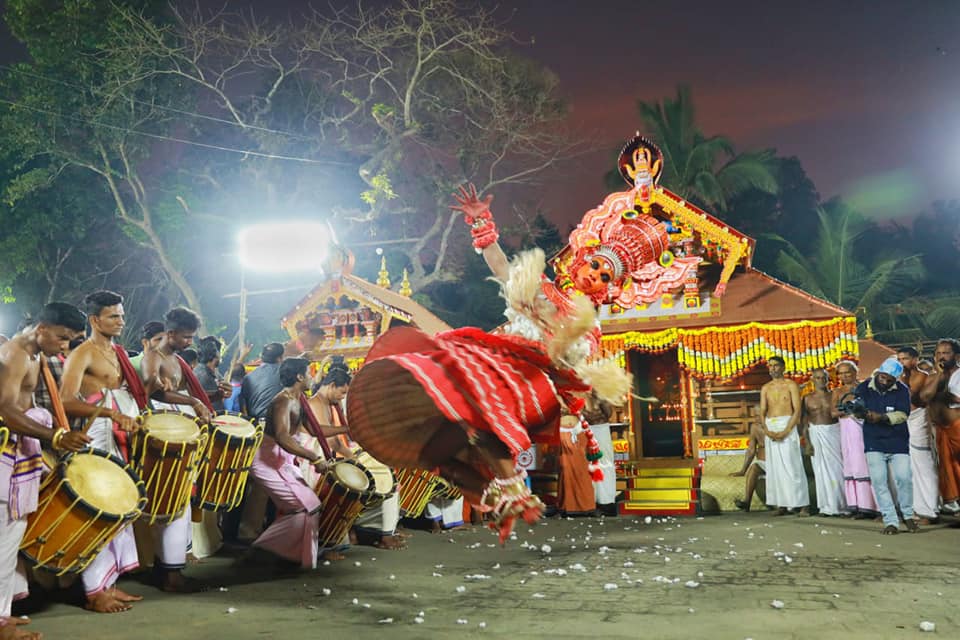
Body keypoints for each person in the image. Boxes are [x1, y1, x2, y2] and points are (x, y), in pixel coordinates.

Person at [348, 181, 634, 540]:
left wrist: (556, 340)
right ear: (582, 260)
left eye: (604, 276)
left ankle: (512, 486)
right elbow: (500, 266)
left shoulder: (587, 324)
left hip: (529, 380)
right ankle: (496, 496)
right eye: (594, 264)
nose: (594, 274)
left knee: (481, 412)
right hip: (497, 359)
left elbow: (571, 365)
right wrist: (481, 220)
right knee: (442, 443)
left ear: (608, 288)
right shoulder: (541, 287)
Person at [0, 303, 90, 635]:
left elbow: (26, 405)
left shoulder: (35, 354)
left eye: (71, 340)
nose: (65, 346)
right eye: (62, 337)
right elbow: (7, 410)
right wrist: (55, 435)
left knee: (10, 540)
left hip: (17, 455)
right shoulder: (16, 354)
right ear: (41, 327)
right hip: (4, 455)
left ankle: (2, 615)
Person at [59, 290, 145, 613]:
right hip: (94, 434)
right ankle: (94, 591)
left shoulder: (117, 352)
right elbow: (66, 399)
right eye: (113, 316)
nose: (121, 321)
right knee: (98, 509)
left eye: (122, 315)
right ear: (95, 320)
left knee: (120, 504)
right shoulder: (83, 353)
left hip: (117, 434)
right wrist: (110, 414)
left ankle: (109, 582)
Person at [140, 306, 211, 592]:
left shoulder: (176, 359)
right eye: (186, 337)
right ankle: (169, 575)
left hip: (179, 429)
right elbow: (151, 391)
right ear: (170, 334)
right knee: (168, 502)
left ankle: (169, 569)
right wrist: (192, 402)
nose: (190, 342)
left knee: (179, 501)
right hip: (161, 432)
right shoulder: (152, 357)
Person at [304, 359, 405, 551]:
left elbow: (333, 441)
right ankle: (330, 543)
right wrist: (347, 433)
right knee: (343, 492)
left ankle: (361, 533)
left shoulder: (327, 403)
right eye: (342, 392)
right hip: (312, 460)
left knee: (385, 482)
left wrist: (352, 455)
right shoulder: (316, 403)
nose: (342, 398)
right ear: (332, 385)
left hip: (327, 456)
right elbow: (320, 433)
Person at [249, 358, 336, 569]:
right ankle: (264, 549)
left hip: (283, 460)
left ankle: (295, 555)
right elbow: (283, 437)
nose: (311, 376)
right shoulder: (283, 400)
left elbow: (315, 430)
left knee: (311, 506)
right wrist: (314, 458)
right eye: (308, 372)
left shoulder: (300, 399)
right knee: (302, 507)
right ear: (299, 376)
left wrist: (348, 430)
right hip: (267, 461)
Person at [856, 357, 916, 534]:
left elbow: (904, 414)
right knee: (879, 482)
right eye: (883, 378)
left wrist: (882, 418)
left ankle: (908, 515)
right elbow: (857, 408)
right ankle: (890, 521)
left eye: (890, 380)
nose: (886, 382)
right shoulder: (864, 387)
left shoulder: (902, 390)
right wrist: (861, 413)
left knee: (904, 478)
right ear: (878, 373)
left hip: (897, 441)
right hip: (874, 441)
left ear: (896, 380)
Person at [759, 356, 810, 516]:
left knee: (792, 466)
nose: (772, 368)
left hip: (787, 424)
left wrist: (786, 430)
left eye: (776, 365)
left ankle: (803, 505)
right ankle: (781, 505)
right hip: (771, 425)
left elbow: (797, 411)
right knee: (775, 469)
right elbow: (762, 411)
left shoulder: (791, 385)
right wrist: (766, 430)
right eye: (770, 366)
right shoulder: (765, 387)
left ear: (783, 367)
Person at [897, 346, 939, 523]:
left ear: (915, 359)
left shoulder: (924, 376)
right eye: (899, 359)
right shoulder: (897, 378)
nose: (902, 363)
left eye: (905, 359)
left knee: (924, 465)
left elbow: (919, 399)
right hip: (902, 420)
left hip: (919, 419)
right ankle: (915, 508)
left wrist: (905, 380)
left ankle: (930, 510)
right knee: (909, 467)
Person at [832, 360, 879, 518]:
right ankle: (857, 505)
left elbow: (872, 407)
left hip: (862, 429)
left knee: (863, 464)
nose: (845, 376)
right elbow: (833, 412)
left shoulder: (864, 388)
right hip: (846, 430)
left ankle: (872, 505)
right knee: (852, 465)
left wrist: (858, 410)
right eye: (841, 373)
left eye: (848, 372)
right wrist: (847, 410)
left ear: (855, 372)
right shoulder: (838, 392)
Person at [921, 338, 960, 515]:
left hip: (957, 427)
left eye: (946, 353)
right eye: (938, 353)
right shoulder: (933, 376)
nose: (941, 356)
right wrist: (938, 375)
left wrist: (950, 398)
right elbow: (926, 396)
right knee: (947, 468)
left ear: (957, 356)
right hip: (941, 430)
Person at [802, 368, 846, 516]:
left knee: (839, 470)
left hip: (834, 433)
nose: (821, 380)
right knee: (820, 471)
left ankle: (842, 506)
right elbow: (804, 422)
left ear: (828, 379)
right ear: (812, 380)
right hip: (816, 435)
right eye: (818, 378)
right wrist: (807, 442)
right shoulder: (807, 398)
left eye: (823, 377)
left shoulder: (834, 395)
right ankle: (826, 507)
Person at [556, 411, 597, 516]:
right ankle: (569, 506)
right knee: (566, 467)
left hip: (579, 429)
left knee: (582, 468)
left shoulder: (582, 396)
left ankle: (586, 506)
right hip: (562, 429)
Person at [731, 420, 766, 511]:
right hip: (763, 463)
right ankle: (747, 502)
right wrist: (743, 470)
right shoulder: (755, 427)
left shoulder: (775, 424)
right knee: (754, 467)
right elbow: (751, 450)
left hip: (778, 462)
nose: (758, 419)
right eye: (756, 416)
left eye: (760, 416)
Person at [193, 337, 233, 413]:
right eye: (219, 351)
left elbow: (224, 391)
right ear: (216, 353)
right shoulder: (202, 375)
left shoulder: (214, 373)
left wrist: (227, 391)